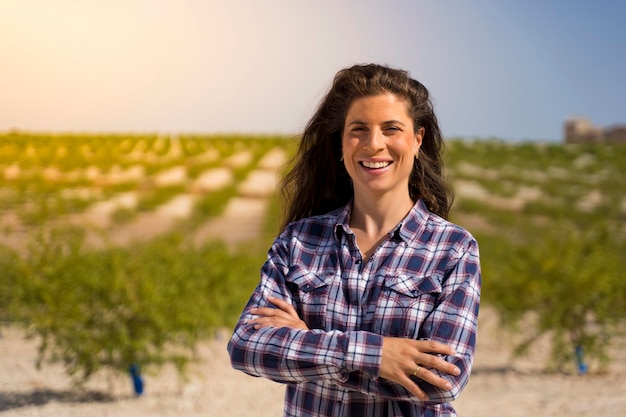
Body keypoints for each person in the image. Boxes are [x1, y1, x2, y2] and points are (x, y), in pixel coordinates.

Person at [227, 63, 481, 417]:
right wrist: (375, 355)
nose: (374, 144)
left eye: (391, 129)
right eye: (358, 129)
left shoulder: (453, 248)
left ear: (418, 139)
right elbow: (246, 346)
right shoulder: (300, 241)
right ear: (342, 143)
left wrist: (307, 341)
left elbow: (440, 380)